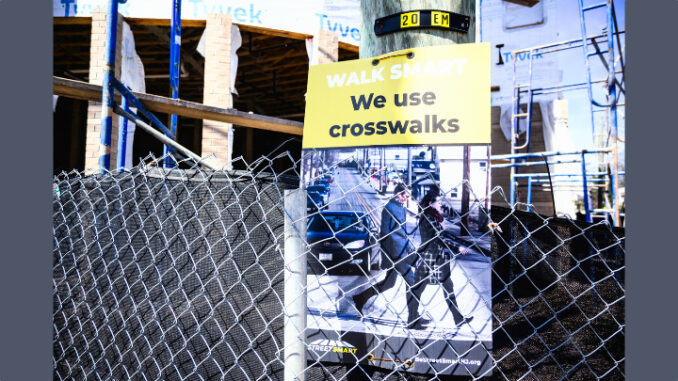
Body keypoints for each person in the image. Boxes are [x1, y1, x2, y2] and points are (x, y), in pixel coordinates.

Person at [352, 183, 421, 326]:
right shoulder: (389, 208)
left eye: (408, 197)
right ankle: (413, 318)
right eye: (405, 196)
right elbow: (385, 233)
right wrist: (390, 254)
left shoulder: (401, 208)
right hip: (395, 252)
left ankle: (360, 298)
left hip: (401, 249)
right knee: (411, 279)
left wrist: (409, 248)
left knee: (389, 283)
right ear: (398, 194)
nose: (406, 199)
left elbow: (402, 232)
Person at [410, 186, 474, 329]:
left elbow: (442, 235)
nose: (441, 205)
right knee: (418, 289)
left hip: (438, 258)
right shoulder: (427, 217)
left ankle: (458, 318)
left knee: (448, 287)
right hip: (429, 258)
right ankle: (412, 319)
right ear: (430, 204)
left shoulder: (433, 217)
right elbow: (439, 238)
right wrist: (457, 247)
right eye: (438, 202)